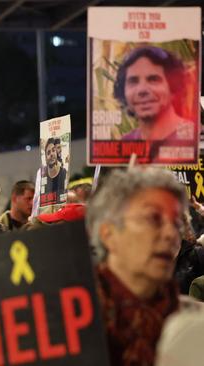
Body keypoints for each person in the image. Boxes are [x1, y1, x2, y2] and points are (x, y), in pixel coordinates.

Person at [86, 167, 187, 365]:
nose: (171, 234)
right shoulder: (67, 325)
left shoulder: (193, 325)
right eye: (153, 218)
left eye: (176, 223)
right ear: (109, 234)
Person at [115, 46, 194, 147]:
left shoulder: (195, 139)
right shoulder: (124, 144)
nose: (142, 90)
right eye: (133, 81)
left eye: (153, 79)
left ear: (173, 86)